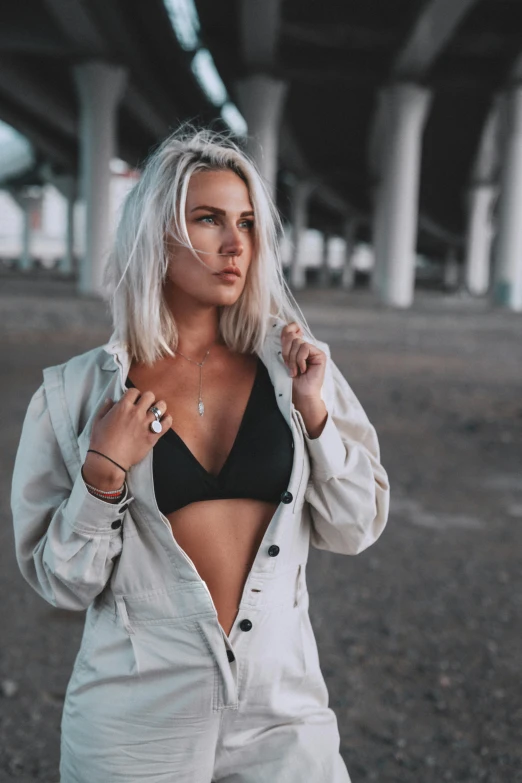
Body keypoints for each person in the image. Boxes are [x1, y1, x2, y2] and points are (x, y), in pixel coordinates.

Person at [11, 127, 390, 783]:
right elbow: (63, 582)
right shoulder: (74, 393)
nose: (235, 243)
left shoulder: (296, 368)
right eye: (208, 219)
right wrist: (102, 474)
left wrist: (315, 413)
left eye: (246, 222)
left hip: (283, 712)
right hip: (136, 721)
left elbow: (356, 526)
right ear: (158, 233)